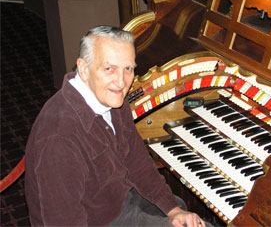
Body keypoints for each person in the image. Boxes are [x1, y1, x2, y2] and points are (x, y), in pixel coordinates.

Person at [25, 26, 207, 227]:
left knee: (187, 217)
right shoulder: (59, 137)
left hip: (120, 199)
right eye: (109, 68)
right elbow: (62, 221)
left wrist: (173, 210)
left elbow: (138, 162)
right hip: (100, 221)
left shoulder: (111, 99)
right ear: (84, 69)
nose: (121, 82)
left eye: (128, 68)